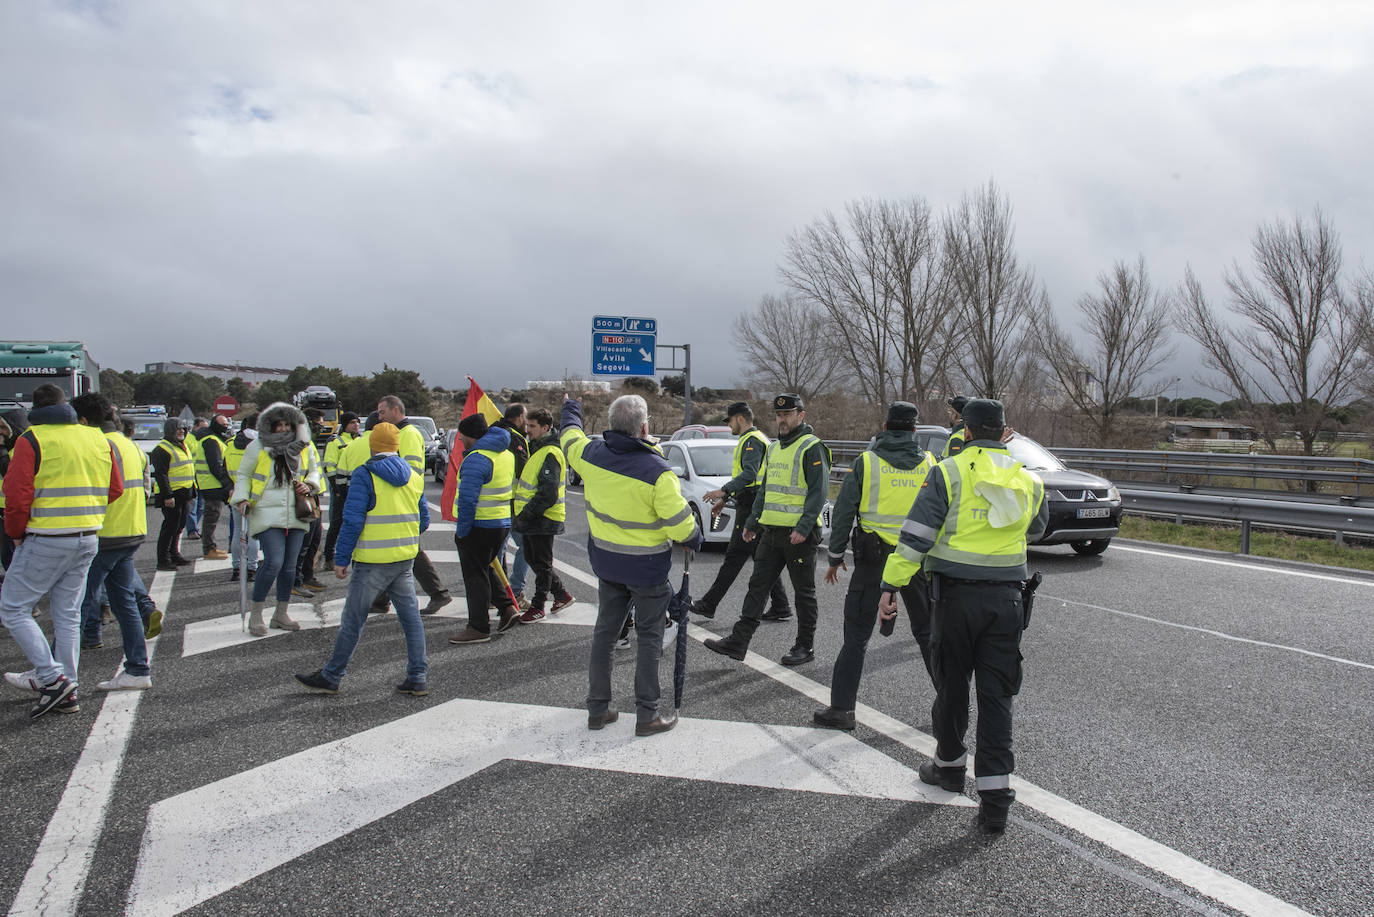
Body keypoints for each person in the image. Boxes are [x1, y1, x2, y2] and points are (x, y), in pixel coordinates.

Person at [879, 398, 1047, 834]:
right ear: (1005, 432)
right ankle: (995, 806)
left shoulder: (947, 471)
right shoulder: (1027, 480)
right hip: (1007, 602)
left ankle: (949, 769)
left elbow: (916, 536)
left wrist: (891, 585)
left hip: (953, 601)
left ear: (966, 432)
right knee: (997, 699)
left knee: (953, 688)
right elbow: (1038, 528)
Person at [561, 393, 701, 736]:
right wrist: (694, 537)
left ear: (611, 425)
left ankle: (598, 709)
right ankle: (647, 715)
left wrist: (571, 407)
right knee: (649, 639)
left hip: (607, 565)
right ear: (644, 426)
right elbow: (681, 526)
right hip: (647, 571)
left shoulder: (591, 455)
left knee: (604, 635)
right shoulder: (657, 472)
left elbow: (569, 437)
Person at [812, 402, 937, 731]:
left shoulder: (866, 463)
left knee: (856, 637)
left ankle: (842, 710)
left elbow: (843, 513)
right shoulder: (929, 463)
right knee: (928, 635)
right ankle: (950, 709)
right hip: (916, 561)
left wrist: (835, 556)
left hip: (874, 561)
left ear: (884, 426)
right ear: (914, 430)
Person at [0, 383, 122, 718]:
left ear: (33, 409)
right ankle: (67, 685)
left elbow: (17, 496)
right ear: (65, 405)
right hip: (87, 536)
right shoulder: (96, 437)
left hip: (46, 537)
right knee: (67, 613)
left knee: (13, 609)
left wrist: (15, 534)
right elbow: (115, 488)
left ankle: (52, 679)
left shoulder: (31, 440)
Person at [295, 422, 430, 695]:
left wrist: (340, 558)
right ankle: (417, 677)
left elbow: (352, 520)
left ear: (372, 445)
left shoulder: (364, 475)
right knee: (411, 619)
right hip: (404, 558)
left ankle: (332, 675)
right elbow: (424, 519)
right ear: (397, 446)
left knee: (353, 620)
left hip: (371, 561)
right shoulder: (414, 477)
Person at [704, 393, 829, 667]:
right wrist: (751, 523)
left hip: (799, 536)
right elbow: (765, 490)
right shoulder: (773, 448)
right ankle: (738, 641)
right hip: (771, 532)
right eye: (778, 415)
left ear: (801, 415)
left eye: (788, 414)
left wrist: (804, 525)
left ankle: (804, 646)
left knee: (803, 593)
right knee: (757, 588)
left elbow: (819, 493)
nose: (782, 419)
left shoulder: (812, 447)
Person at [71, 395, 153, 690]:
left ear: (83, 420)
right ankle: (137, 669)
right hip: (131, 530)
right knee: (124, 602)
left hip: (105, 533)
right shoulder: (130, 445)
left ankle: (52, 674)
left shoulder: (100, 445)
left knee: (77, 602)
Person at [692, 401, 790, 621]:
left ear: (741, 418)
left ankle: (709, 604)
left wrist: (723, 491)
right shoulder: (756, 439)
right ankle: (781, 607)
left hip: (752, 505)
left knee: (735, 557)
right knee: (762, 558)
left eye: (730, 421)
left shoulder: (751, 441)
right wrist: (726, 498)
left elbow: (749, 475)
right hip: (753, 502)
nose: (729, 427)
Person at [230, 402, 319, 637]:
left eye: (286, 424)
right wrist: (241, 498)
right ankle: (257, 613)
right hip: (266, 510)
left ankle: (281, 613)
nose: (282, 428)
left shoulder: (303, 447)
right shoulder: (257, 446)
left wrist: (309, 485)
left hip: (297, 511)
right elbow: (244, 474)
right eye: (277, 424)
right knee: (273, 562)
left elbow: (314, 471)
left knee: (290, 567)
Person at [447, 414, 521, 643]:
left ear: (471, 436)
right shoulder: (506, 455)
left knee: (474, 576)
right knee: (486, 569)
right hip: (501, 523)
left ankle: (478, 627)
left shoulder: (476, 459)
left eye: (462, 437)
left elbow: (468, 500)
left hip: (478, 525)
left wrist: (462, 531)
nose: (460, 442)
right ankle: (507, 607)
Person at [375, 397, 452, 614]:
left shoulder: (406, 434)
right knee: (399, 551)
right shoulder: (402, 433)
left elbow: (409, 473)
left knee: (408, 551)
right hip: (403, 501)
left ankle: (438, 593)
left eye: (382, 412)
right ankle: (380, 600)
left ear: (396, 410)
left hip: (405, 502)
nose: (380, 417)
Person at [512, 408, 574, 622]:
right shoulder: (538, 449)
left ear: (545, 428)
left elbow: (548, 492)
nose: (528, 430)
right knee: (533, 559)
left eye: (532, 427)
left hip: (543, 517)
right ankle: (561, 594)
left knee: (542, 562)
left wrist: (527, 513)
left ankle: (538, 606)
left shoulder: (550, 452)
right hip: (534, 517)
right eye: (527, 426)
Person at [493, 402, 531, 607]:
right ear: (518, 418)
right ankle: (515, 591)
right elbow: (523, 472)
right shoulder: (514, 439)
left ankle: (497, 591)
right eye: (526, 418)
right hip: (512, 501)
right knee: (527, 545)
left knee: (498, 547)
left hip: (494, 502)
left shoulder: (493, 433)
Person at [150, 418, 196, 571]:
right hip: (172, 495)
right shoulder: (162, 449)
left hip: (184, 494)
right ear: (170, 430)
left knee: (179, 526)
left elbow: (188, 469)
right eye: (178, 429)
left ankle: (174, 554)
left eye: (183, 428)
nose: (181, 431)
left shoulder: (182, 446)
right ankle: (163, 560)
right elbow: (161, 475)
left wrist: (192, 491)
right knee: (169, 527)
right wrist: (168, 495)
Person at [292, 408, 328, 595]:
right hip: (299, 497)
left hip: (312, 496)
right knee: (302, 542)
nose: (321, 426)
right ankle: (295, 581)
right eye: (318, 422)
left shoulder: (308, 443)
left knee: (314, 539)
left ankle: (307, 576)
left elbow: (313, 469)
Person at [193, 414, 234, 560]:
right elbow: (216, 466)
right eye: (222, 424)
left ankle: (211, 547)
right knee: (211, 517)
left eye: (226, 424)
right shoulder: (211, 441)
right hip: (212, 485)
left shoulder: (213, 439)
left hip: (210, 484)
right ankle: (209, 549)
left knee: (212, 517)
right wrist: (225, 484)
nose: (225, 427)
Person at [322, 411, 360, 566]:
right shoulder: (335, 441)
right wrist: (336, 488)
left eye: (357, 422)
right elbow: (329, 467)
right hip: (339, 489)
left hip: (356, 489)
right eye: (352, 422)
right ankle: (329, 557)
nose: (356, 425)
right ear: (344, 425)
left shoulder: (360, 441)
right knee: (336, 523)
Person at [225, 413, 260, 583]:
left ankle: (237, 568)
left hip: (236, 492)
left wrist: (230, 488)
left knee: (238, 532)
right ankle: (252, 568)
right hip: (255, 495)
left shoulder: (231, 444)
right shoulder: (261, 445)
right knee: (253, 533)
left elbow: (223, 470)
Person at [183, 416, 209, 540]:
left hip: (203, 477)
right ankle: (192, 530)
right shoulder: (188, 440)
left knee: (201, 506)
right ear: (195, 426)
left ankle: (195, 527)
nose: (204, 430)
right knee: (193, 505)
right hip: (192, 477)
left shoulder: (203, 439)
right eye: (202, 427)